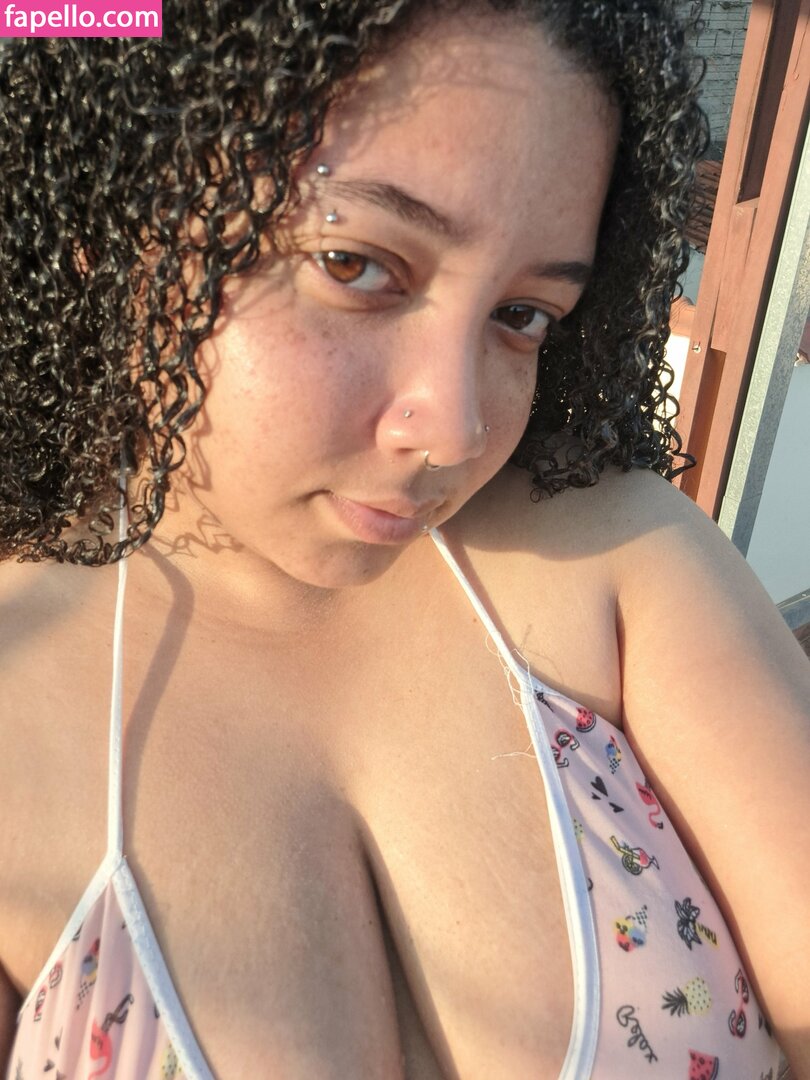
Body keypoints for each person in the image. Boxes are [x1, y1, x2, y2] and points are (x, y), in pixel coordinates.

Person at [0, 1, 807, 1077]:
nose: (456, 428)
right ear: (114, 221)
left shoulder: (622, 569)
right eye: (354, 264)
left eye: (522, 315)